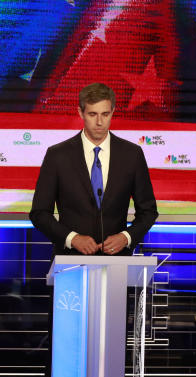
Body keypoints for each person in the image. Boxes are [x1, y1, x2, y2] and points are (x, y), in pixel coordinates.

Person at [29, 82, 158, 256]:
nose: (99, 122)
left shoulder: (131, 154)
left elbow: (148, 211)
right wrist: (72, 238)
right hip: (70, 260)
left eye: (105, 114)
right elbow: (39, 213)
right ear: (80, 113)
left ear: (112, 112)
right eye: (92, 114)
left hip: (117, 261)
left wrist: (126, 237)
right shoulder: (57, 155)